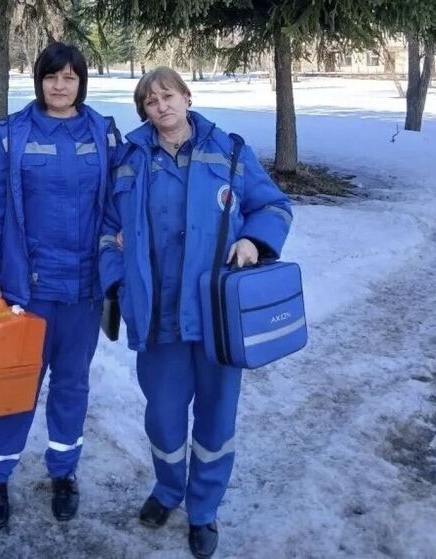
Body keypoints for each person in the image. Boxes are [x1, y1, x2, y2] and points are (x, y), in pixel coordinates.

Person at [99, 67, 292, 558]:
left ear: (187, 97)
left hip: (216, 319)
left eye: (168, 96)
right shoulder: (129, 160)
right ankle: (168, 490)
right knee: (164, 418)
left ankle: (203, 509)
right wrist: (118, 278)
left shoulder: (229, 152)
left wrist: (253, 240)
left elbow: (273, 206)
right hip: (158, 318)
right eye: (150, 101)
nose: (161, 106)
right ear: (144, 111)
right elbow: (106, 229)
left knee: (216, 419)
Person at [0, 42, 119, 530]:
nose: (60, 85)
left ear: (81, 83)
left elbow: (120, 201)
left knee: (71, 386)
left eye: (70, 77)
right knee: (15, 388)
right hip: (24, 295)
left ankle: (63, 473)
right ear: (39, 81)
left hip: (83, 293)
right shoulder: (12, 135)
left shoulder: (103, 133)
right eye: (52, 76)